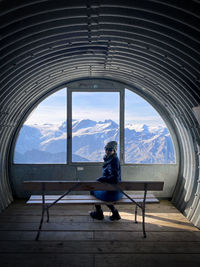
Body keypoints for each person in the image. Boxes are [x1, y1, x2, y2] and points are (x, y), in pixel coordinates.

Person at [90, 141, 123, 221]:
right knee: (102, 191)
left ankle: (99, 213)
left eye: (110, 149)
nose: (107, 151)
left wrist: (102, 179)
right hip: (118, 191)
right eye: (106, 149)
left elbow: (114, 179)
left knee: (92, 190)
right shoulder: (111, 159)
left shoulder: (113, 161)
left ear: (114, 150)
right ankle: (115, 213)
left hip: (113, 194)